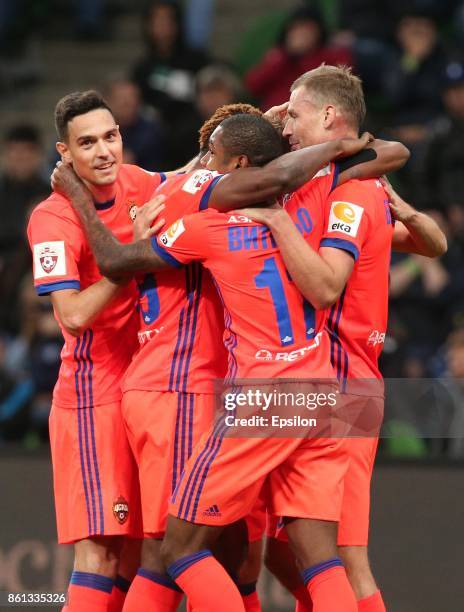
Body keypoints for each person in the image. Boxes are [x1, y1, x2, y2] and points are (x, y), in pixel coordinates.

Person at [240, 64, 446, 612]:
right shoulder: (329, 181)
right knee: (277, 547)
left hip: (343, 385)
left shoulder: (350, 188)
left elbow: (329, 284)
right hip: (305, 384)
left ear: (330, 116)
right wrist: (411, 216)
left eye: (296, 109)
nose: (286, 121)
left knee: (345, 561)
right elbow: (432, 244)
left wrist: (280, 224)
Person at [27, 90, 169, 612]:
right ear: (65, 153)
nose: (104, 151)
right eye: (87, 143)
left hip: (147, 394)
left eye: (111, 137)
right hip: (93, 401)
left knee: (143, 558)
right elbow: (74, 314)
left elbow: (199, 172)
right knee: (100, 558)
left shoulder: (140, 182)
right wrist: (132, 252)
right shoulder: (51, 218)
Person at [245, 6, 353, 110]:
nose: (301, 34)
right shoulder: (277, 57)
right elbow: (252, 86)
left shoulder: (332, 55)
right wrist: (281, 59)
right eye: (296, 29)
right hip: (276, 116)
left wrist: (304, 58)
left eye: (307, 30)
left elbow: (340, 88)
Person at [131, 0, 209, 126]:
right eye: (156, 20)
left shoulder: (197, 60)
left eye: (167, 20)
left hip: (194, 127)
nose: (162, 26)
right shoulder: (142, 68)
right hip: (156, 132)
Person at [104, 78, 166, 171]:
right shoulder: (98, 130)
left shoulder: (152, 131)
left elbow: (126, 160)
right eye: (120, 98)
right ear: (108, 102)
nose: (126, 103)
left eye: (131, 98)